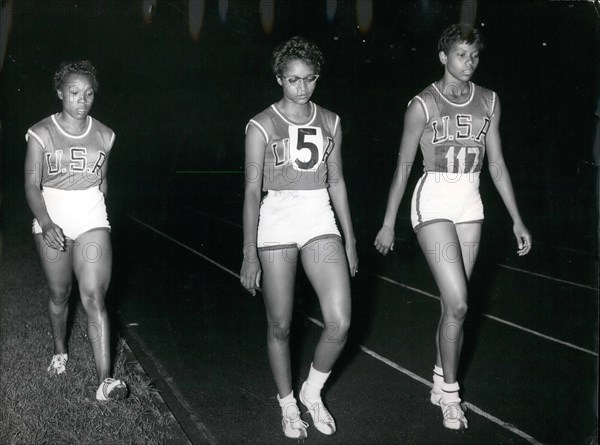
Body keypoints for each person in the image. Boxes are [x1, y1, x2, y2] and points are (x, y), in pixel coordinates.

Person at [374, 24, 531, 430]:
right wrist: (389, 222)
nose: (470, 62)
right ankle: (450, 395)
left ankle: (439, 379)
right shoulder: (423, 104)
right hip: (434, 201)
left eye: (475, 55)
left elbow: (495, 163)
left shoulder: (491, 101)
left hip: (470, 202)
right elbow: (404, 167)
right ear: (443, 56)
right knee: (460, 302)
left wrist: (516, 218)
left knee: (452, 308)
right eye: (462, 54)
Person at [240, 36, 358, 439]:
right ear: (279, 79)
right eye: (293, 80)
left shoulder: (331, 121)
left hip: (318, 215)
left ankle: (312, 391)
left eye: (308, 79)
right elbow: (252, 191)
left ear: (316, 78)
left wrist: (351, 238)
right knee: (281, 324)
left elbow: (337, 181)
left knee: (339, 321)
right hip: (276, 218)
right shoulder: (261, 124)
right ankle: (287, 403)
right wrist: (249, 253)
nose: (301, 88)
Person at [24, 60, 127, 402]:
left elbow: (103, 181)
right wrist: (47, 222)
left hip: (91, 215)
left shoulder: (105, 134)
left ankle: (104, 381)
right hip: (52, 214)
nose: (82, 100)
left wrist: (96, 214)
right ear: (60, 93)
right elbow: (31, 184)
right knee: (59, 294)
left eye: (89, 93)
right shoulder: (41, 132)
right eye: (74, 92)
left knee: (95, 296)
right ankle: (59, 350)